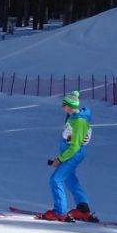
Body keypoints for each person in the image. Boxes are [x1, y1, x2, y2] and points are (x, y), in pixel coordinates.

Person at [43, 90, 96, 222]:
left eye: (64, 104)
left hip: (73, 154)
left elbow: (74, 147)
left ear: (70, 105)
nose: (62, 107)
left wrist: (59, 160)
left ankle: (60, 212)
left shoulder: (78, 122)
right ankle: (83, 209)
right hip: (71, 154)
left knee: (56, 179)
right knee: (69, 178)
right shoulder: (73, 117)